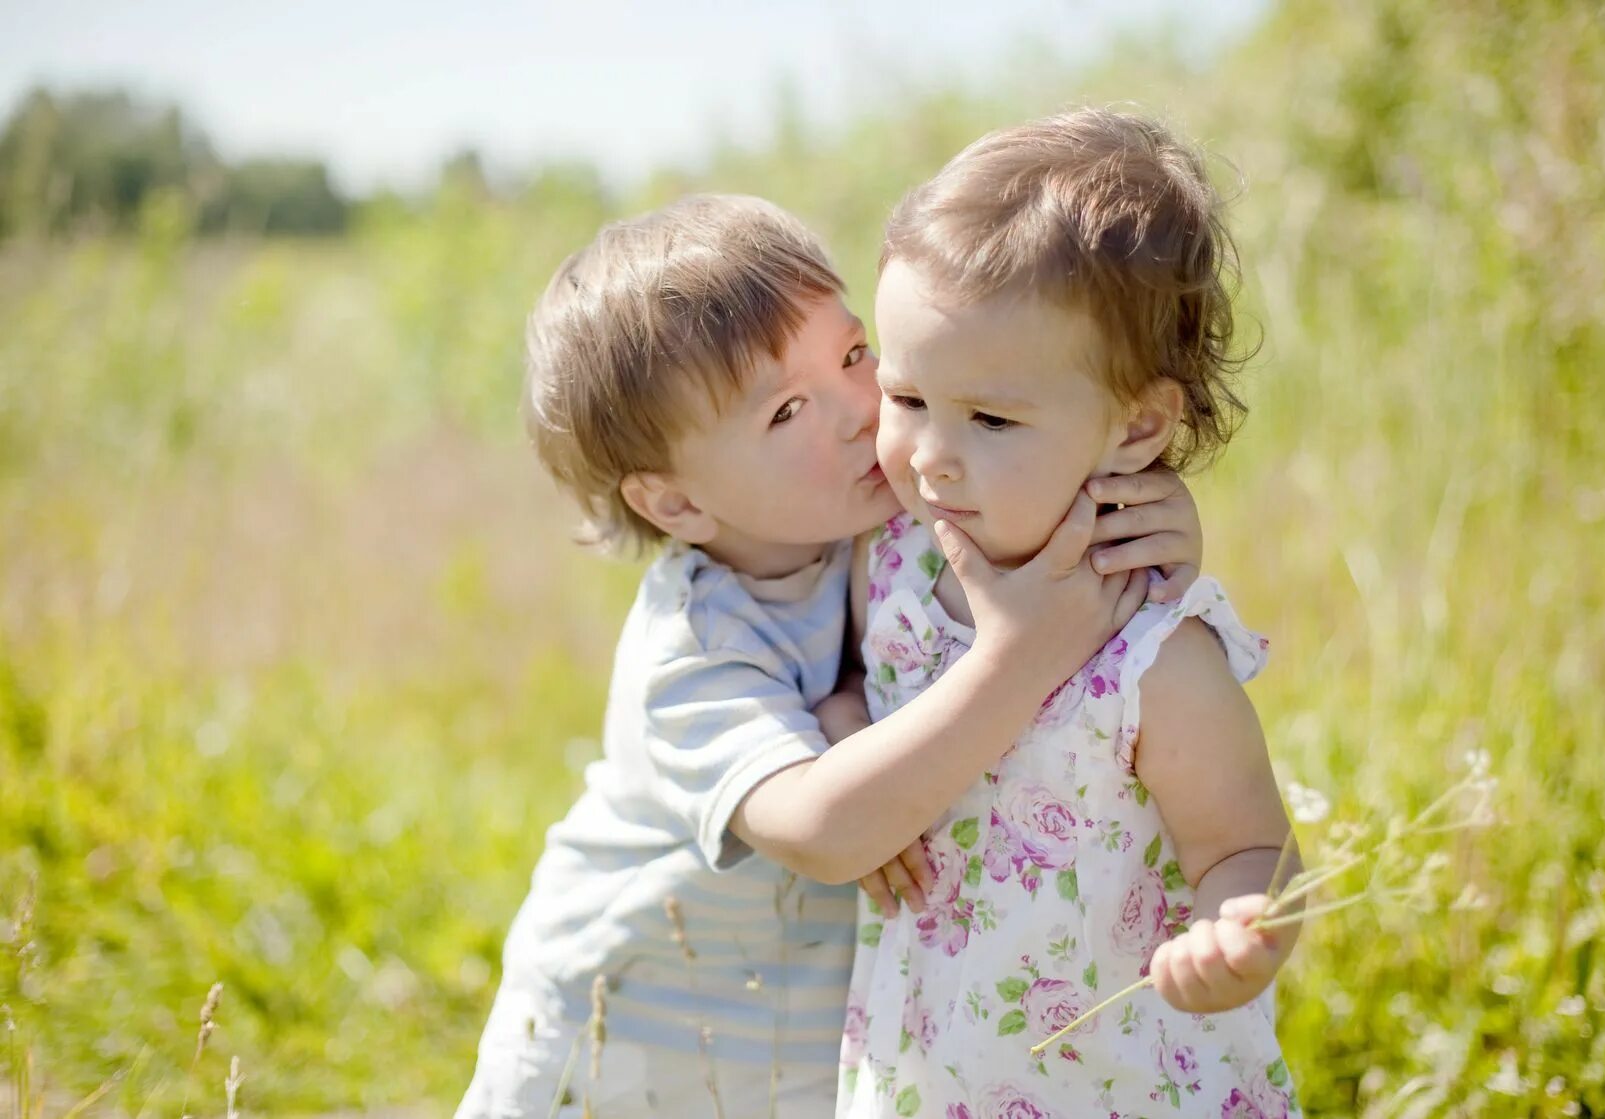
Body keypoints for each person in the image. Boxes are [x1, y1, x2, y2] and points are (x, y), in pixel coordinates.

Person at [455, 192, 1208, 1118]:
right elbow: (824, 827)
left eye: (855, 355)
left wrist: (1139, 518)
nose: (865, 409)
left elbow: (1035, 533)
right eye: (785, 413)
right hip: (619, 1050)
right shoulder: (693, 650)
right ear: (677, 504)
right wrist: (1016, 654)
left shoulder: (883, 523)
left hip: (795, 1054)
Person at [832, 109, 1303, 1118]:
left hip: (1120, 1081)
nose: (929, 455)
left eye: (991, 419)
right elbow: (841, 685)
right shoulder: (899, 568)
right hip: (935, 1068)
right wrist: (853, 764)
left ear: (1137, 425)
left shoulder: (1149, 652)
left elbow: (1244, 842)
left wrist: (1236, 928)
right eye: (907, 398)